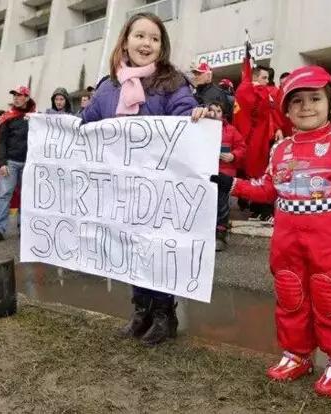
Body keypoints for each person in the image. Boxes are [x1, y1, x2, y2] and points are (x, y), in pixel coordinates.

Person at [211, 66, 331, 398]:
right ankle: (297, 354)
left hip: (330, 244)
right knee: (290, 296)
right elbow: (265, 190)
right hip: (286, 243)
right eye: (296, 101)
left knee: (330, 297)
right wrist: (233, 185)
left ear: (330, 104)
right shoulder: (281, 150)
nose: (306, 107)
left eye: (314, 99)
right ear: (286, 110)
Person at [81, 12, 209, 346]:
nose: (146, 43)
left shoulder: (172, 82)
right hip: (121, 189)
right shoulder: (108, 86)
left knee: (157, 250)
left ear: (161, 46)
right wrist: (60, 128)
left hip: (159, 187)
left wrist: (196, 115)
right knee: (132, 250)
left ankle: (165, 314)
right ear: (125, 40)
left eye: (154, 38)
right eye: (140, 36)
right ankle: (141, 310)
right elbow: (87, 123)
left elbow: (183, 115)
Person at [233, 43, 278, 221]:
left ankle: (259, 208)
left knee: (259, 173)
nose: (268, 82)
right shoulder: (251, 90)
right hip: (254, 141)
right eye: (265, 78)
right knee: (259, 173)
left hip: (256, 139)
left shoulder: (247, 88)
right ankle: (261, 208)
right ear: (257, 77)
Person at [0, 86, 37, 243]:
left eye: (19, 95)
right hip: (10, 162)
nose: (16, 98)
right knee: (4, 195)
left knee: (27, 196)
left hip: (29, 163)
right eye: (14, 95)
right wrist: (1, 163)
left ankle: (24, 228)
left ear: (27, 98)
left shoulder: (35, 117)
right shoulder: (7, 117)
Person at [208, 101, 246, 251]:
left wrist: (233, 156)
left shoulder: (231, 130)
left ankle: (220, 234)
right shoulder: (199, 127)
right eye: (212, 110)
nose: (215, 114)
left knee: (222, 204)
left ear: (222, 113)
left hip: (224, 172)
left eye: (218, 111)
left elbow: (242, 147)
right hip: (205, 172)